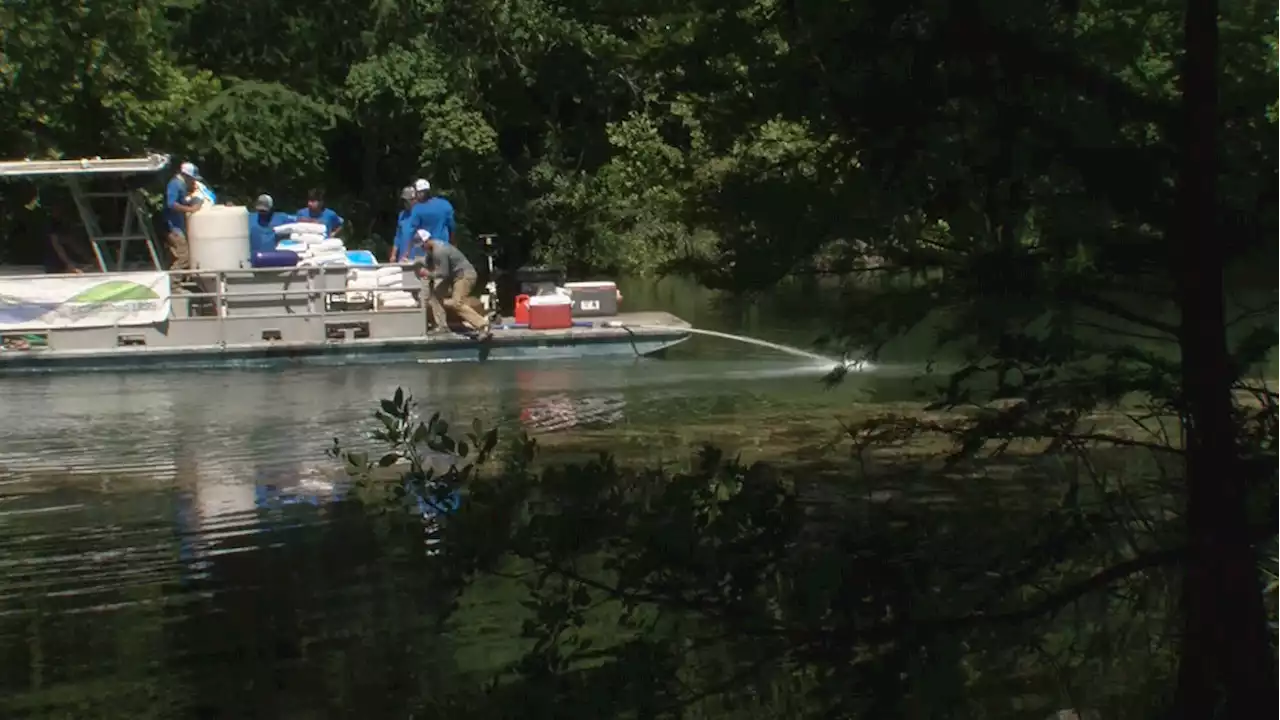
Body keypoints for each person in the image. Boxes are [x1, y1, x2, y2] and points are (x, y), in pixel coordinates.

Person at [414, 230, 490, 340]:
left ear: (427, 241)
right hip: (452, 275)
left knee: (457, 303)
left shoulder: (440, 251)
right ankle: (442, 326)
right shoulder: (431, 250)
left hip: (464, 275)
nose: (422, 248)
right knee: (435, 295)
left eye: (422, 246)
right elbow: (429, 263)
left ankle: (483, 325)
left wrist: (428, 274)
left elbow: (443, 273)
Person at [164, 162, 203, 289]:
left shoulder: (180, 185)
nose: (193, 181)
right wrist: (190, 209)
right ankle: (172, 286)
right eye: (192, 178)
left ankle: (173, 284)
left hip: (178, 226)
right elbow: (171, 204)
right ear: (186, 176)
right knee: (184, 257)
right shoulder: (175, 184)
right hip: (173, 227)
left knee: (177, 257)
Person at [408, 178, 455, 245]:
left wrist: (406, 252)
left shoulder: (417, 209)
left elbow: (411, 231)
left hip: (426, 248)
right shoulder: (445, 204)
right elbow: (452, 227)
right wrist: (452, 245)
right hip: (444, 246)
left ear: (421, 193)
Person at [389, 186, 419, 263]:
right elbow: (398, 237)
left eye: (407, 201)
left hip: (417, 258)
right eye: (404, 201)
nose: (405, 203)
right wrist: (393, 255)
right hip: (402, 258)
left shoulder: (421, 215)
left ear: (414, 200)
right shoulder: (401, 215)